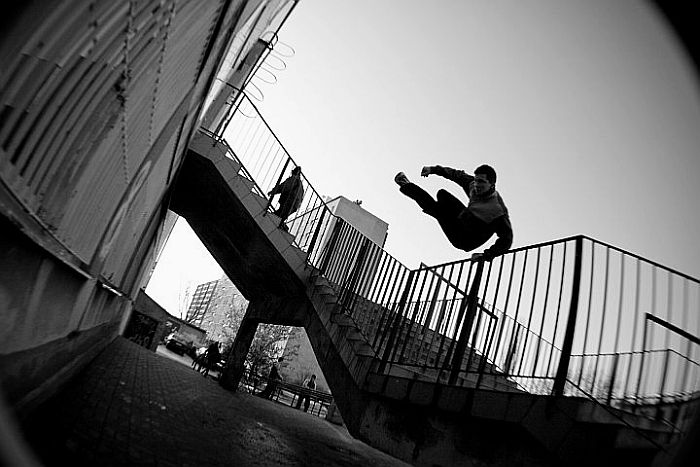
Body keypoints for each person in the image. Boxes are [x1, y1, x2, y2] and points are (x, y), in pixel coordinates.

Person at [394, 164, 513, 261]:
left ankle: (406, 185)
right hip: (465, 221)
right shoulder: (472, 185)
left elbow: (507, 239)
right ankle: (408, 186)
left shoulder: (497, 210)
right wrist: (433, 169)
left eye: (481, 182)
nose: (477, 186)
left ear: (491, 185)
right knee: (442, 195)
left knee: (439, 211)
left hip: (467, 240)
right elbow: (456, 174)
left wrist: (487, 255)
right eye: (476, 181)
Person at [267, 166, 304, 231]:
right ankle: (280, 227)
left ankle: (272, 224)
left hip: (289, 202)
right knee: (281, 216)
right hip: (294, 205)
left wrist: (273, 191)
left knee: (277, 216)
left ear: (293, 172)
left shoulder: (294, 179)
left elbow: (284, 187)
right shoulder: (300, 185)